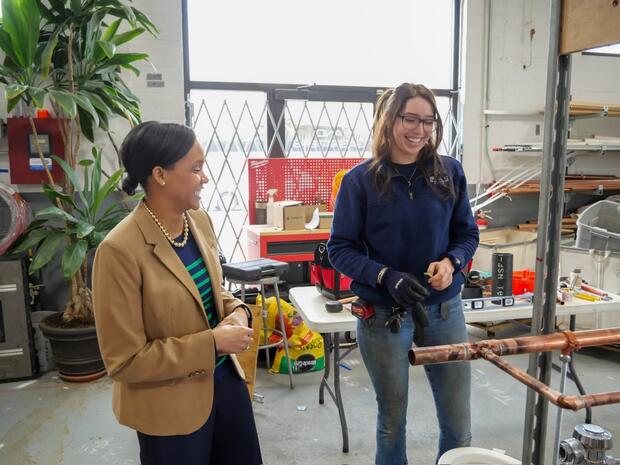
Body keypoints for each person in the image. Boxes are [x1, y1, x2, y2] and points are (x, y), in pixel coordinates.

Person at [92, 121, 262, 465]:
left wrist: (238, 309)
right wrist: (212, 343)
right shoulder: (119, 251)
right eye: (196, 168)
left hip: (226, 386)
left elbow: (211, 294)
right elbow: (124, 361)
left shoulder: (198, 223)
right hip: (169, 409)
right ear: (160, 175)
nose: (205, 177)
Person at [328, 83, 479, 464]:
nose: (419, 130)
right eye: (410, 119)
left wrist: (452, 263)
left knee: (459, 423)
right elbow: (339, 250)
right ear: (389, 120)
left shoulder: (449, 173)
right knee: (392, 421)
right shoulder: (359, 181)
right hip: (384, 318)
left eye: (428, 121)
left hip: (445, 312)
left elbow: (467, 234)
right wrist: (384, 276)